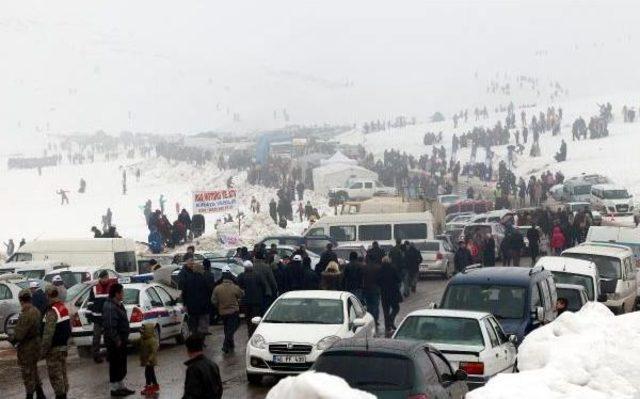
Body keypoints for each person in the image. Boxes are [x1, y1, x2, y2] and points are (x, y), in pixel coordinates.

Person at [10, 289, 46, 399]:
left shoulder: (26, 313)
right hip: (36, 344)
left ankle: (29, 395)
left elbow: (19, 335)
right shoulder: (36, 310)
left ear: (21, 300)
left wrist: (11, 339)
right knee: (34, 371)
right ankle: (40, 394)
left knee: (27, 373)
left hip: (27, 347)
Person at [103, 283, 134, 396]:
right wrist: (117, 340)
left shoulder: (118, 305)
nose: (123, 294)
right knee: (115, 365)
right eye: (122, 292)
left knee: (121, 364)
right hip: (115, 341)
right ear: (117, 294)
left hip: (121, 340)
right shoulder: (110, 307)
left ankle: (121, 386)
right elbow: (111, 326)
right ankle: (114, 389)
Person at [41, 285, 71, 399]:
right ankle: (63, 394)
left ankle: (61, 396)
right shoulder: (62, 307)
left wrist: (43, 351)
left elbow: (48, 334)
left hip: (54, 349)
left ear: (48, 296)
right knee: (62, 374)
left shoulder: (52, 311)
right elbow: (68, 328)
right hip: (63, 347)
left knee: (55, 375)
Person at [212, 267, 244, 353]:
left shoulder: (217, 288)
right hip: (233, 311)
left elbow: (213, 301)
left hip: (222, 312)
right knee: (232, 328)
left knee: (227, 328)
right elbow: (241, 294)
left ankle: (231, 344)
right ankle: (225, 345)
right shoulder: (234, 287)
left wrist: (218, 306)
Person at [182, 333, 223, 399]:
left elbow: (191, 394)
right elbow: (219, 389)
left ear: (188, 351)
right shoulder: (212, 364)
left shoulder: (193, 369)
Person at [178, 253, 211, 335]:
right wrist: (184, 303)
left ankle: (198, 341)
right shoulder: (183, 274)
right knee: (194, 326)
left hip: (198, 305)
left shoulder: (193, 274)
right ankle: (196, 341)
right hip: (191, 305)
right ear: (185, 261)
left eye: (193, 260)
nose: (193, 262)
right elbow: (182, 291)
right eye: (191, 260)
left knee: (198, 326)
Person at [86, 270, 114, 363]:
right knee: (96, 337)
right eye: (103, 278)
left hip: (108, 317)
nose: (105, 280)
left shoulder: (112, 287)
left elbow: (117, 302)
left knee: (109, 337)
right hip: (97, 318)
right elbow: (90, 302)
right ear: (100, 278)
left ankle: (110, 355)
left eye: (106, 278)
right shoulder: (94, 288)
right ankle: (96, 356)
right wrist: (89, 315)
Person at [237, 260, 267, 337]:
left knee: (248, 319)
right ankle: (256, 333)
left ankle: (250, 334)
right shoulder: (258, 275)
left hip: (246, 302)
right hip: (257, 301)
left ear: (244, 268)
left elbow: (238, 287)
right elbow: (264, 286)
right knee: (257, 318)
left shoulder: (241, 276)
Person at [378, 256, 401, 336]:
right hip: (393, 292)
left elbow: (378, 281)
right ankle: (391, 320)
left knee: (385, 310)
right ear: (389, 261)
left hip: (384, 293)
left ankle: (387, 326)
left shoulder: (380, 269)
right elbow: (398, 279)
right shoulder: (393, 268)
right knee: (396, 308)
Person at [139, 323, 160, 396]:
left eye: (143, 330)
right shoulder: (144, 339)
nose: (141, 331)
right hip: (147, 360)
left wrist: (149, 360)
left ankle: (149, 386)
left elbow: (153, 352)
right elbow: (138, 341)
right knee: (151, 373)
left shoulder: (152, 340)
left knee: (148, 374)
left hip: (150, 361)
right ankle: (154, 385)